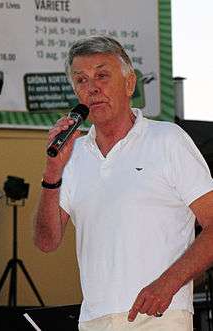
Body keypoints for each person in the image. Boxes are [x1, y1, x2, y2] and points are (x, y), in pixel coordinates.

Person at [34, 36, 213, 331]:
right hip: (94, 320)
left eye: (102, 75)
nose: (92, 87)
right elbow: (46, 242)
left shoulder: (168, 140)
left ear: (130, 84)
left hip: (160, 316)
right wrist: (52, 172)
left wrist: (168, 284)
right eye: (81, 80)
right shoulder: (73, 155)